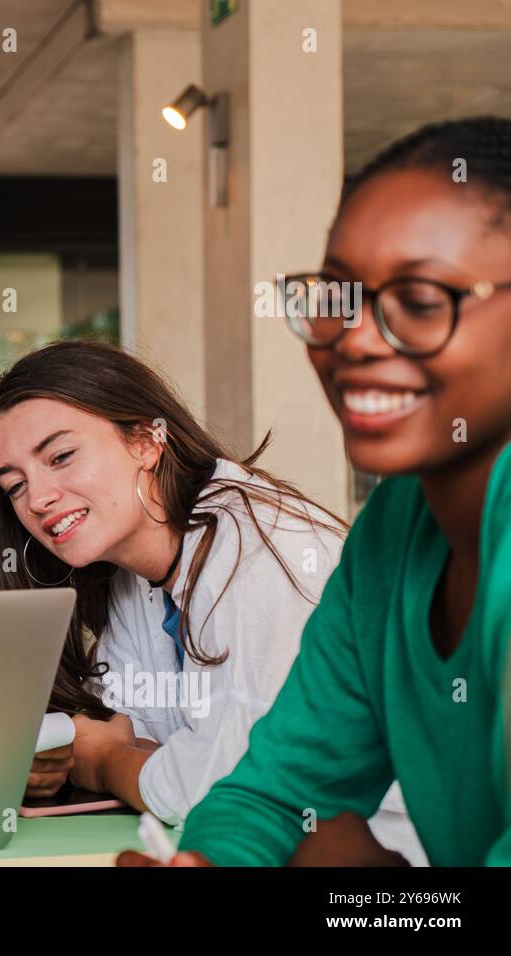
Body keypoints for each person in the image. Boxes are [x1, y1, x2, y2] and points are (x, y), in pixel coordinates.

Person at [127, 117, 511, 867]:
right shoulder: (396, 527)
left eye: (424, 299)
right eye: (338, 298)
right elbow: (276, 796)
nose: (357, 339)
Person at [0, 340, 420, 850]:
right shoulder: (135, 571)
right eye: (15, 485)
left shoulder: (258, 553)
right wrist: (82, 753)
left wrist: (106, 764)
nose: (40, 498)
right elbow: (126, 726)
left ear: (145, 441)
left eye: (62, 456)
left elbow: (230, 784)